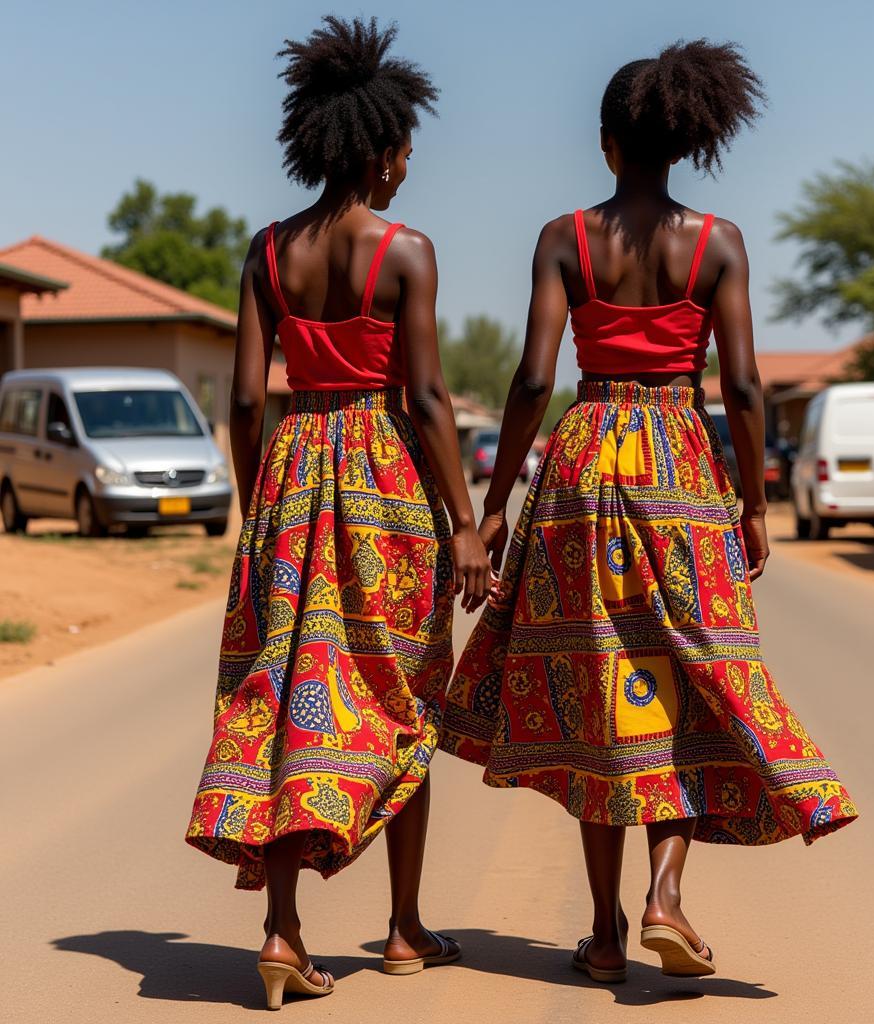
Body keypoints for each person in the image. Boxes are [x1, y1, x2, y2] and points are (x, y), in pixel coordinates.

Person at [441, 39, 858, 984]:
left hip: (585, 466)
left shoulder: (563, 237)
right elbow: (745, 385)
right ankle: (666, 890)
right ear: (684, 143)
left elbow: (533, 377)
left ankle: (602, 934)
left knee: (599, 689)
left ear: (606, 144)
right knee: (685, 679)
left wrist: (497, 501)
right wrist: (754, 502)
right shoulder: (716, 242)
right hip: (681, 465)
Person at [185, 17, 489, 1009]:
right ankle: (403, 928)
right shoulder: (405, 251)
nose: (408, 168)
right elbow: (432, 399)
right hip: (384, 482)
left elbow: (241, 397)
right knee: (401, 695)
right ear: (379, 149)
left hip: (291, 474)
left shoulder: (268, 252)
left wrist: (253, 498)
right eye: (405, 151)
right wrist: (466, 520)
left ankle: (280, 928)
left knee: (285, 692)